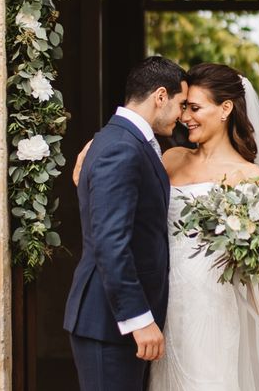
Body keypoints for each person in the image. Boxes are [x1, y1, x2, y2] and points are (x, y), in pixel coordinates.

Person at [73, 62, 259, 391]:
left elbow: (258, 266)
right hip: (164, 303)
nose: (185, 116)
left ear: (226, 108)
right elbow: (123, 195)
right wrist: (89, 166)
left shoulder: (250, 177)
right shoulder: (170, 159)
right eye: (183, 106)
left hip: (213, 304)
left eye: (194, 107)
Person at [64, 56, 188, 391]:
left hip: (114, 323)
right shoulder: (119, 147)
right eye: (180, 104)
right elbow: (110, 241)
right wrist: (138, 318)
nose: (182, 116)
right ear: (160, 96)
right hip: (108, 322)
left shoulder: (122, 140)